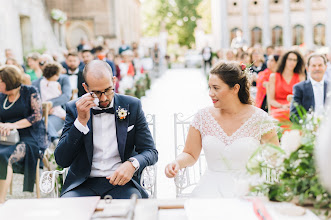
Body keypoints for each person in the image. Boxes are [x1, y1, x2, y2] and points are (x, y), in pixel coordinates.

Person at [165, 61, 279, 198]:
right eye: (209, 87)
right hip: (210, 190)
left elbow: (275, 157)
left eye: (216, 88)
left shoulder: (260, 118)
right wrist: (176, 163)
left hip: (248, 190)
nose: (210, 93)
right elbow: (190, 154)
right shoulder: (202, 117)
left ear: (235, 88)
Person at [54, 60, 158, 199]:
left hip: (123, 183)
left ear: (114, 81)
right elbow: (62, 160)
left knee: (131, 209)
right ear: (85, 88)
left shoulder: (132, 105)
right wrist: (80, 122)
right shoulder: (74, 108)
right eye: (96, 92)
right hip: (83, 184)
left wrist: (132, 164)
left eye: (108, 90)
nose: (103, 98)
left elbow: (150, 151)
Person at [0, 65, 47, 203]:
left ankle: (1, 201)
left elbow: (37, 116)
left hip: (29, 136)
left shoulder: (29, 91)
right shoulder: (1, 96)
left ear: (8, 81)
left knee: (3, 156)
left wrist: (13, 125)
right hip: (5, 136)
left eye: (0, 81)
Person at [268, 51, 305, 121]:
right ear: (285, 60)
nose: (292, 62)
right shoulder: (274, 76)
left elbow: (302, 98)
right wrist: (282, 106)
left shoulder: (300, 77)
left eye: (295, 60)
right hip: (278, 108)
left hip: (294, 108)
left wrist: (291, 105)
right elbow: (271, 100)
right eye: (290, 59)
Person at [290, 53, 328, 120]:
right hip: (308, 127)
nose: (317, 68)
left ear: (325, 67)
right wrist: (308, 125)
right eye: (313, 66)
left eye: (320, 65)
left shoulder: (329, 87)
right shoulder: (299, 88)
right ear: (307, 68)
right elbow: (294, 115)